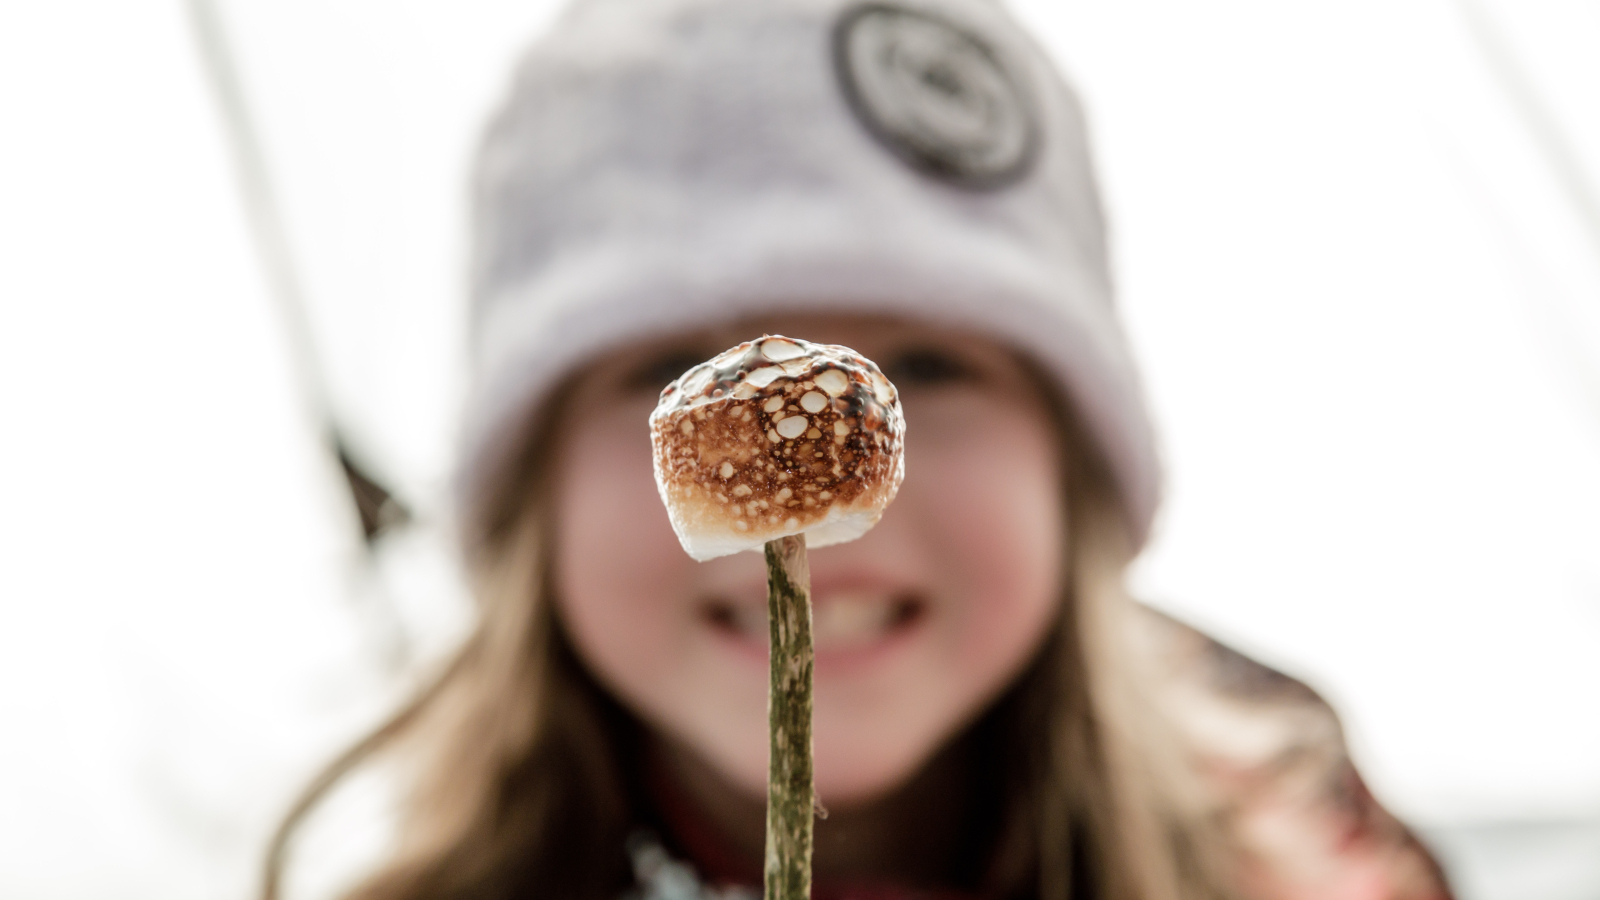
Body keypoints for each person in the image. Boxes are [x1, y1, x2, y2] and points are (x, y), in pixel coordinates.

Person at [266, 1, 1454, 898]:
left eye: (928, 368)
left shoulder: (1318, 858)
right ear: (531, 494)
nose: (805, 488)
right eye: (685, 378)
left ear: (1071, 462)